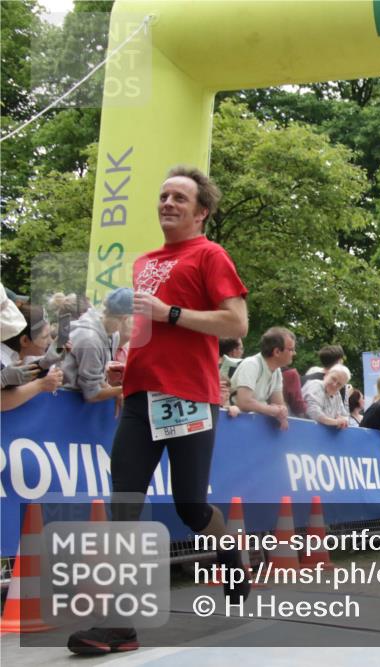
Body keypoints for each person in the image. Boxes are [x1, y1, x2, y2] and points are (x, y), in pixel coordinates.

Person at [68, 167, 249, 655]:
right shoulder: (145, 261)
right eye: (164, 195)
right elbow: (147, 329)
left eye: (180, 198)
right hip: (138, 397)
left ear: (201, 212)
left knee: (190, 506)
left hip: (189, 396)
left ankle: (229, 550)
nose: (168, 203)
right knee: (124, 503)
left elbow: (236, 323)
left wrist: (170, 313)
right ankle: (119, 625)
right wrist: (127, 362)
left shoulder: (210, 255)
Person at [60, 288, 134, 405]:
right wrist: (127, 388)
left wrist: (113, 391)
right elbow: (91, 394)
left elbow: (97, 378)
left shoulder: (112, 334)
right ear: (126, 318)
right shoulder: (90, 340)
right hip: (64, 401)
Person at [231, 326, 294, 430]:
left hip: (248, 425)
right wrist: (273, 410)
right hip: (234, 423)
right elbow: (244, 402)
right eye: (291, 349)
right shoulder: (251, 364)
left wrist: (282, 413)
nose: (294, 353)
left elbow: (279, 404)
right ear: (277, 352)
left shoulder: (277, 371)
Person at [302, 364, 351, 428]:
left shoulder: (337, 394)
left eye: (339, 384)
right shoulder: (315, 385)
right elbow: (313, 412)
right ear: (326, 375)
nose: (334, 384)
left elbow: (346, 416)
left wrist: (343, 419)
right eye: (333, 379)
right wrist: (336, 422)